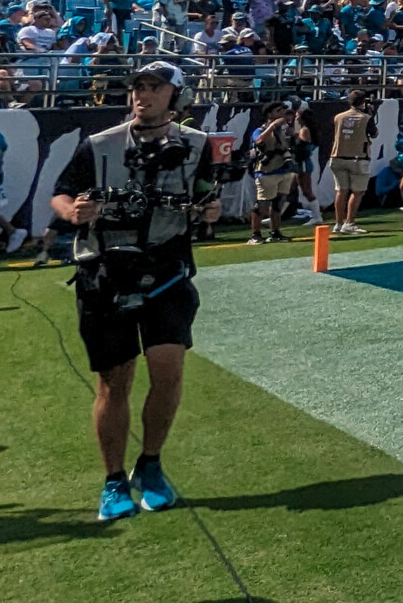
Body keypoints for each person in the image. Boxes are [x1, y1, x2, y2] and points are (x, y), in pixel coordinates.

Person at [49, 60, 219, 521]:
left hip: (166, 270)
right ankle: (113, 479)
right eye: (138, 88)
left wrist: (210, 210)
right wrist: (72, 214)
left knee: (168, 368)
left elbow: (206, 195)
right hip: (105, 272)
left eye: (155, 88)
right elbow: (62, 192)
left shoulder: (197, 145)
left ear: (175, 97)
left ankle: (152, 464)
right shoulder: (98, 146)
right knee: (115, 379)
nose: (143, 95)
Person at [244, 102, 298, 245]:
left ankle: (275, 232)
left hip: (284, 170)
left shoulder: (285, 130)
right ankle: (255, 234)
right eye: (278, 111)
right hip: (266, 172)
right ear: (269, 114)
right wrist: (272, 126)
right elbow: (258, 140)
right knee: (261, 205)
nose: (282, 114)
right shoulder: (261, 129)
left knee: (278, 204)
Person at [326, 91, 379, 237]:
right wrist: (370, 115)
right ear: (363, 102)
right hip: (358, 158)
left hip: (337, 156)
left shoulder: (338, 117)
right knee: (357, 192)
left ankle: (338, 223)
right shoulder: (366, 118)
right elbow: (374, 134)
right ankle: (349, 223)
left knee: (341, 190)